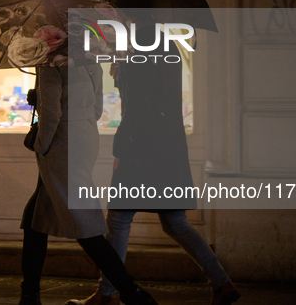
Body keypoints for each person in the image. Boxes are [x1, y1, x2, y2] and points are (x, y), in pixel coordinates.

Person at [66, 20, 240, 305]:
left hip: (140, 147)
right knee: (174, 222)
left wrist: (122, 146)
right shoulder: (163, 42)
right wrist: (122, 72)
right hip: (168, 147)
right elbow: (153, 94)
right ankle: (222, 283)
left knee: (120, 219)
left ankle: (107, 292)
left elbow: (138, 104)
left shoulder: (140, 45)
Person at [19, 63, 158, 305]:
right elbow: (96, 109)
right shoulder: (88, 58)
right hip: (84, 137)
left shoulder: (50, 62)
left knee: (85, 223)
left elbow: (51, 114)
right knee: (36, 220)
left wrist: (40, 145)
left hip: (61, 144)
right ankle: (29, 294)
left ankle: (132, 292)